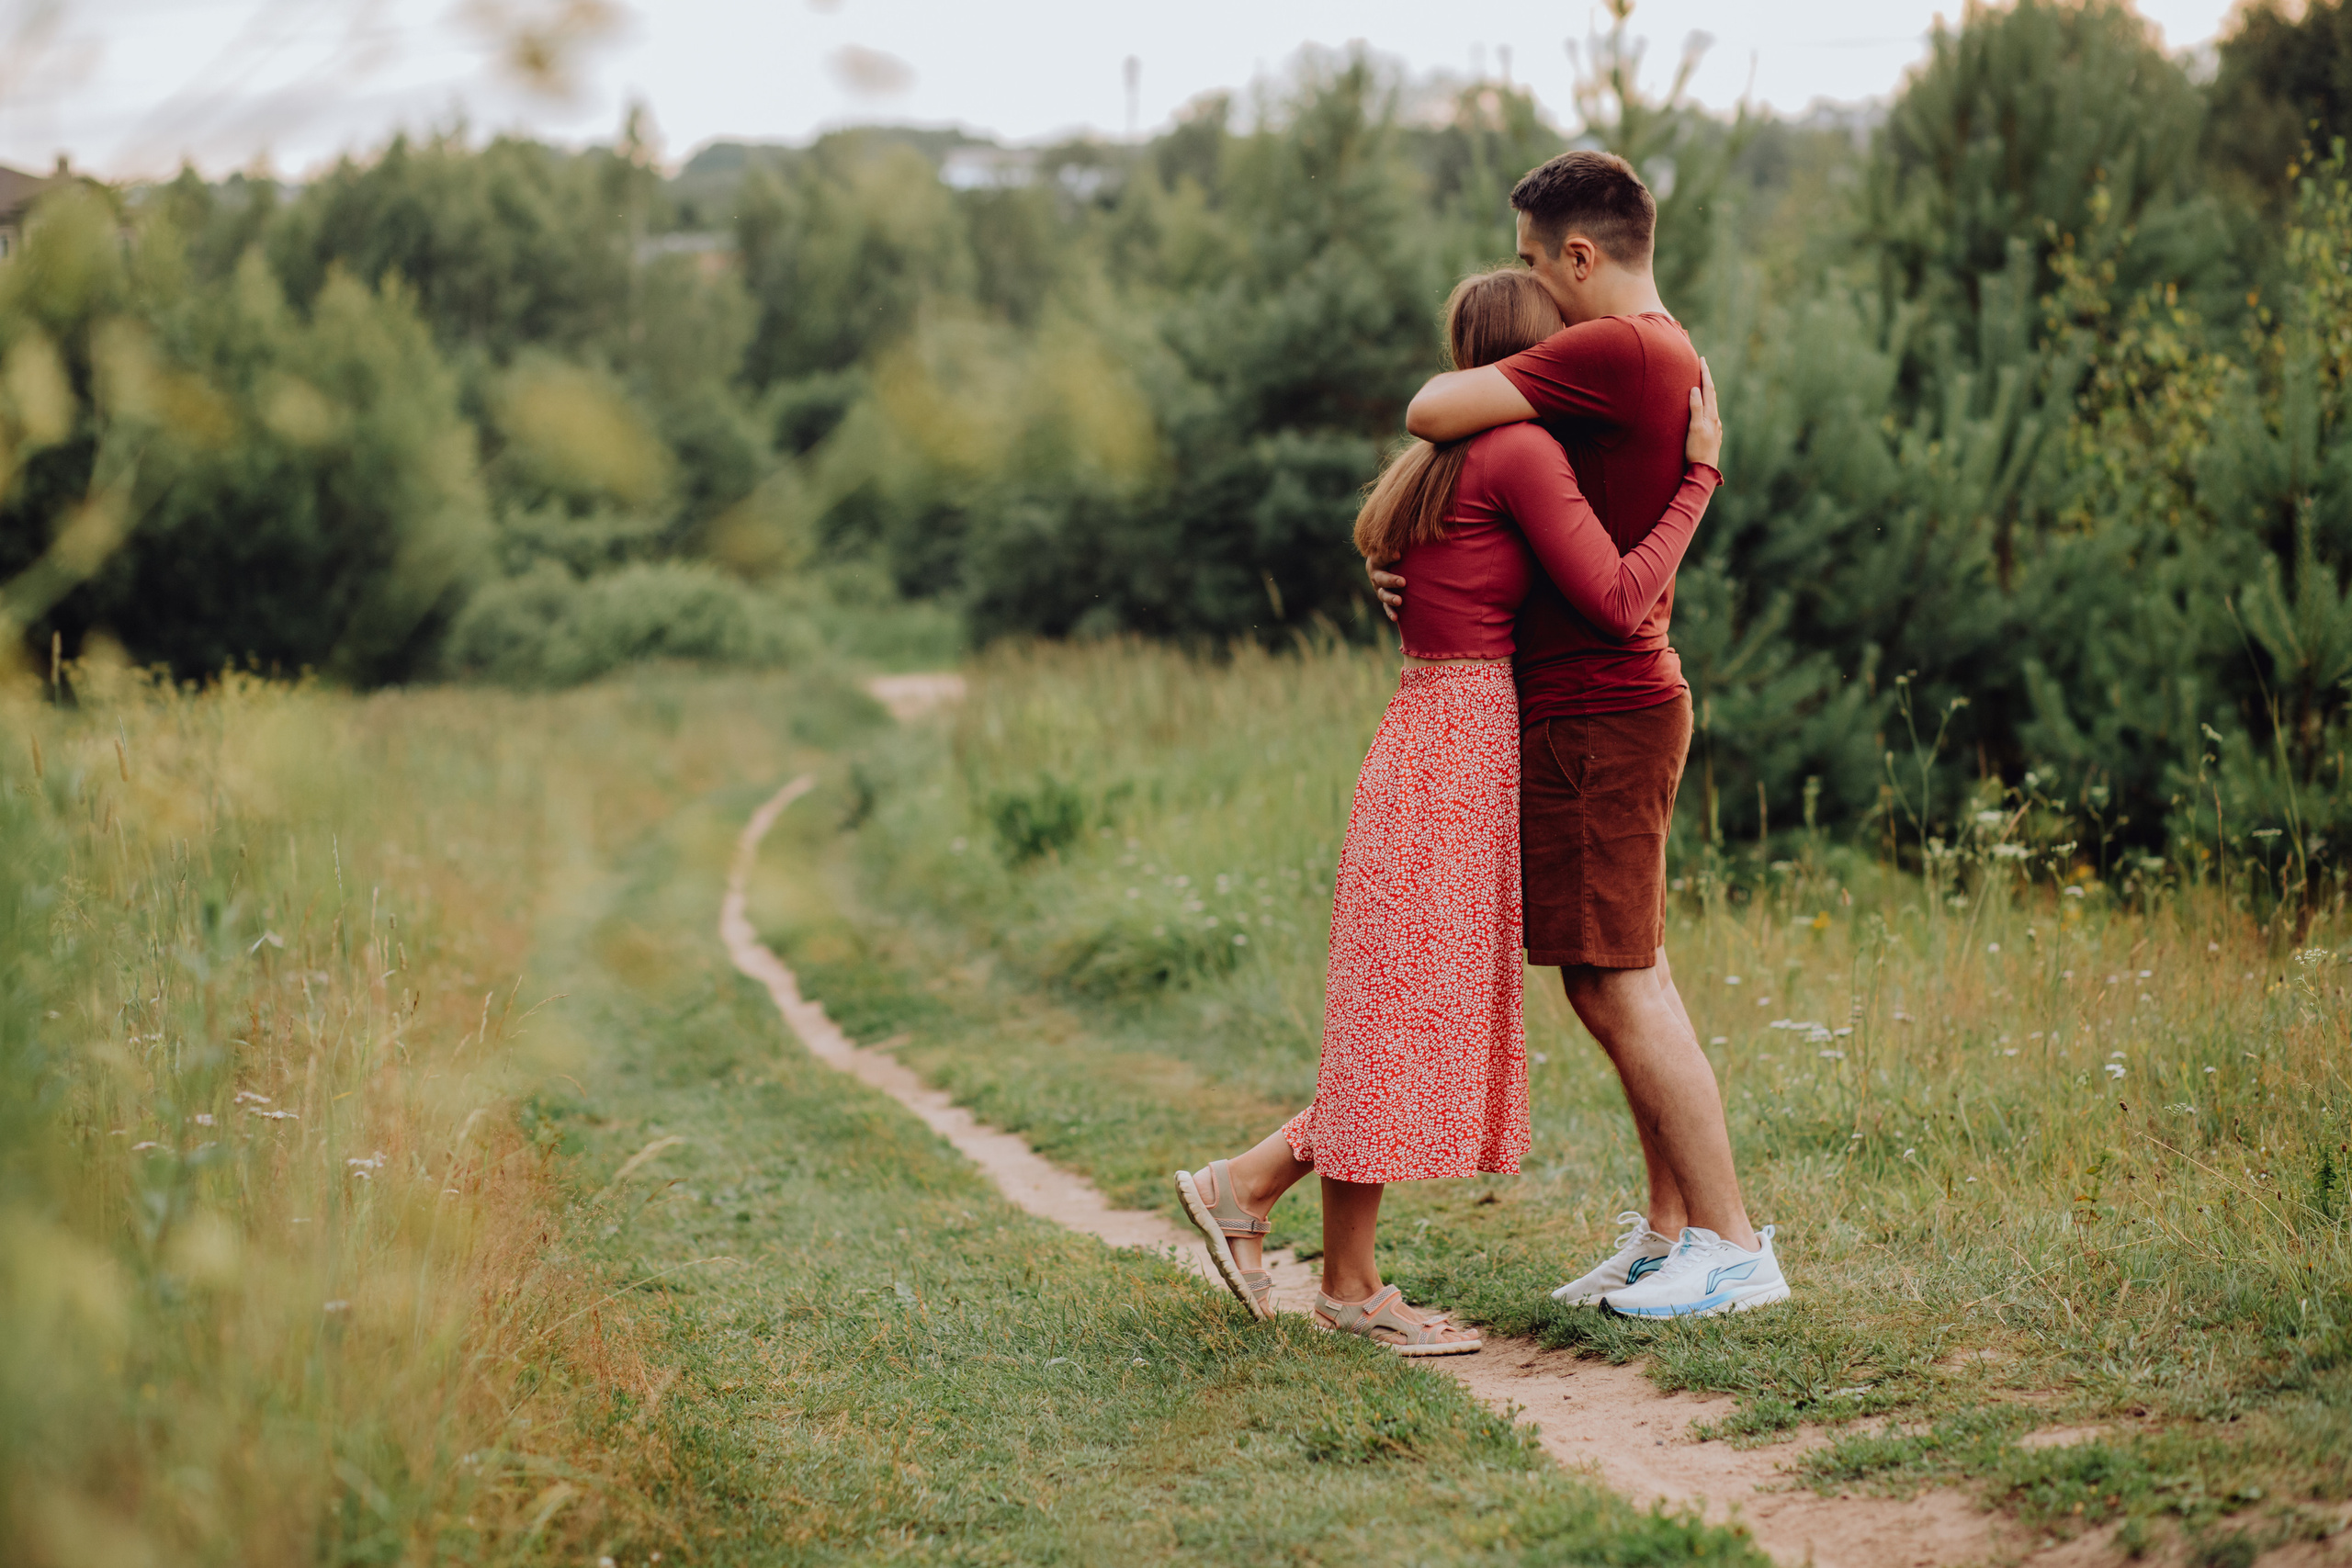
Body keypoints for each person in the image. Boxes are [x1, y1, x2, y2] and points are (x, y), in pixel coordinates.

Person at [1173, 265, 1724, 1352]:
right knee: (1407, 1016)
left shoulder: (1428, 468)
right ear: (1529, 358)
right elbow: (1616, 600)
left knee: (1398, 1011)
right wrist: (1698, 479)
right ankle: (1259, 1200)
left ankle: (1335, 1271)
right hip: (1463, 747)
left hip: (1425, 731)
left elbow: (1436, 587)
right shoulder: (1519, 451)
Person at [1382, 149, 1786, 1319]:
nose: (1529, 294)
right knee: (1616, 972)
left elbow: (1431, 408)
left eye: (1531, 265)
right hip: (1606, 705)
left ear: (1577, 254)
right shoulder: (1662, 352)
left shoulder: (1615, 345)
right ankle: (1672, 1234)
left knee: (1614, 983)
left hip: (1601, 711)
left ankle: (1731, 1243)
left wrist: (1697, 490)